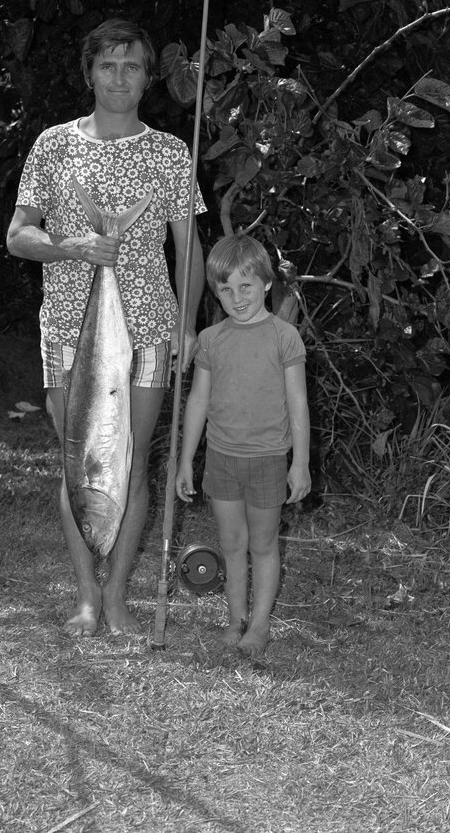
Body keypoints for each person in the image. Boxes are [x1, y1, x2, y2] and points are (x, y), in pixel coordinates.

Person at [6, 18, 205, 637]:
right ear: (89, 73)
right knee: (77, 460)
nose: (120, 77)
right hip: (69, 324)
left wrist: (190, 327)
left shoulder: (171, 153)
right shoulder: (52, 145)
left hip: (148, 325)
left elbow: (190, 249)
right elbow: (18, 236)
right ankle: (87, 597)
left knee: (131, 459)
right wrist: (73, 246)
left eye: (134, 66)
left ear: (149, 78)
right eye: (108, 65)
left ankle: (116, 599)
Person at [176, 234, 310, 657]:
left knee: (263, 544)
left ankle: (260, 624)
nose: (237, 297)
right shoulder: (211, 340)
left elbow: (298, 405)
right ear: (216, 291)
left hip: (269, 459)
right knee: (232, 544)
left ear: (267, 283)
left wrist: (300, 463)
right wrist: (185, 462)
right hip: (221, 459)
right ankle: (235, 618)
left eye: (246, 286)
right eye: (226, 288)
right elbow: (197, 401)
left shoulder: (284, 337)